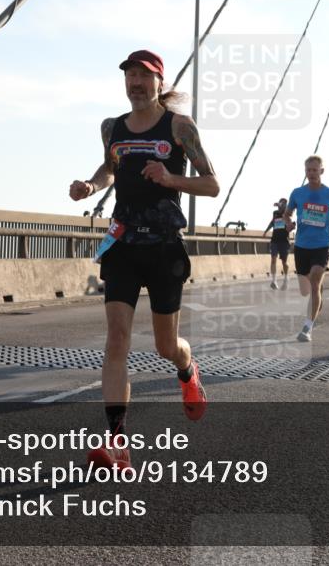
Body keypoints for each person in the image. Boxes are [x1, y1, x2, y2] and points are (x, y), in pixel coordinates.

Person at [69, 49, 219, 470]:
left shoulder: (179, 127)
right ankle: (116, 441)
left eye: (143, 76)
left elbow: (212, 184)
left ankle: (188, 371)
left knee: (164, 345)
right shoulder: (112, 127)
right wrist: (91, 184)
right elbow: (110, 169)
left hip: (163, 247)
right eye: (129, 75)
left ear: (158, 82)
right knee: (117, 339)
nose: (135, 82)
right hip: (122, 243)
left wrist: (170, 178)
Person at [283, 156, 329, 343]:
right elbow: (287, 213)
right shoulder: (297, 193)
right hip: (302, 245)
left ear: (321, 171)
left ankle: (308, 327)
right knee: (306, 290)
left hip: (322, 244)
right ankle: (317, 298)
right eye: (308, 170)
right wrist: (288, 224)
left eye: (315, 170)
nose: (311, 173)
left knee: (315, 281)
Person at [262, 198, 291, 290]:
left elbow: (287, 219)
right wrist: (266, 231)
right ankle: (274, 281)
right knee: (273, 259)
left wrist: (283, 209)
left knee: (284, 262)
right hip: (275, 240)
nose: (280, 206)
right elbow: (272, 222)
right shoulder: (275, 213)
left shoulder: (287, 213)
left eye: (282, 204)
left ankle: (286, 278)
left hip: (284, 241)